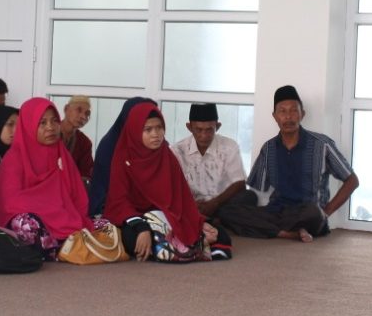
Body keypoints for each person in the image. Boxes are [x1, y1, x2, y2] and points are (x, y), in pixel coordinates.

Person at [224, 85, 358, 242]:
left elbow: (352, 181)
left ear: (302, 114)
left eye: (294, 110)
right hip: (277, 212)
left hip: (308, 213)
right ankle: (286, 233)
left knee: (313, 212)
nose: (288, 117)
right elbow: (257, 187)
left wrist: (325, 212)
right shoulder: (268, 148)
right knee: (227, 211)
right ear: (275, 116)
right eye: (282, 111)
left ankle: (273, 229)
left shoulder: (322, 145)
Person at [103, 101, 224, 262]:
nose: (156, 134)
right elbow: (119, 201)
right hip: (135, 217)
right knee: (133, 238)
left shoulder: (166, 155)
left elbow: (181, 198)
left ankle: (180, 246)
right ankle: (191, 246)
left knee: (219, 232)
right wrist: (142, 227)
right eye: (148, 129)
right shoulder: (123, 157)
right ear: (135, 131)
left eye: (159, 128)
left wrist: (197, 222)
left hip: (166, 215)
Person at [0, 98, 92, 258]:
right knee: (25, 223)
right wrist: (50, 208)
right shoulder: (15, 157)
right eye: (42, 123)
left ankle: (60, 245)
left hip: (62, 217)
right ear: (29, 125)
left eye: (54, 121)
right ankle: (59, 247)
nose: (50, 127)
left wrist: (65, 213)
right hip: (35, 218)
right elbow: (10, 201)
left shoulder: (61, 154)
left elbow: (77, 196)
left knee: (103, 224)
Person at [171, 103, 255, 220]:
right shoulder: (177, 150)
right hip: (191, 204)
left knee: (249, 197)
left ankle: (211, 219)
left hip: (221, 203)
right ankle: (216, 221)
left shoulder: (229, 146)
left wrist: (215, 203)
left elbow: (239, 184)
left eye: (209, 130)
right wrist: (191, 204)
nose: (204, 135)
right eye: (199, 130)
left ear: (217, 126)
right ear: (189, 127)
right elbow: (173, 186)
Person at [87, 97, 154, 216]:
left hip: (148, 208)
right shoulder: (110, 145)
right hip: (109, 207)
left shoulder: (153, 142)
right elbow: (110, 189)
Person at [59, 95, 94, 180]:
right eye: (79, 110)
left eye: (87, 114)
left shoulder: (85, 142)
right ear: (66, 109)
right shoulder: (49, 133)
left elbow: (85, 174)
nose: (83, 117)